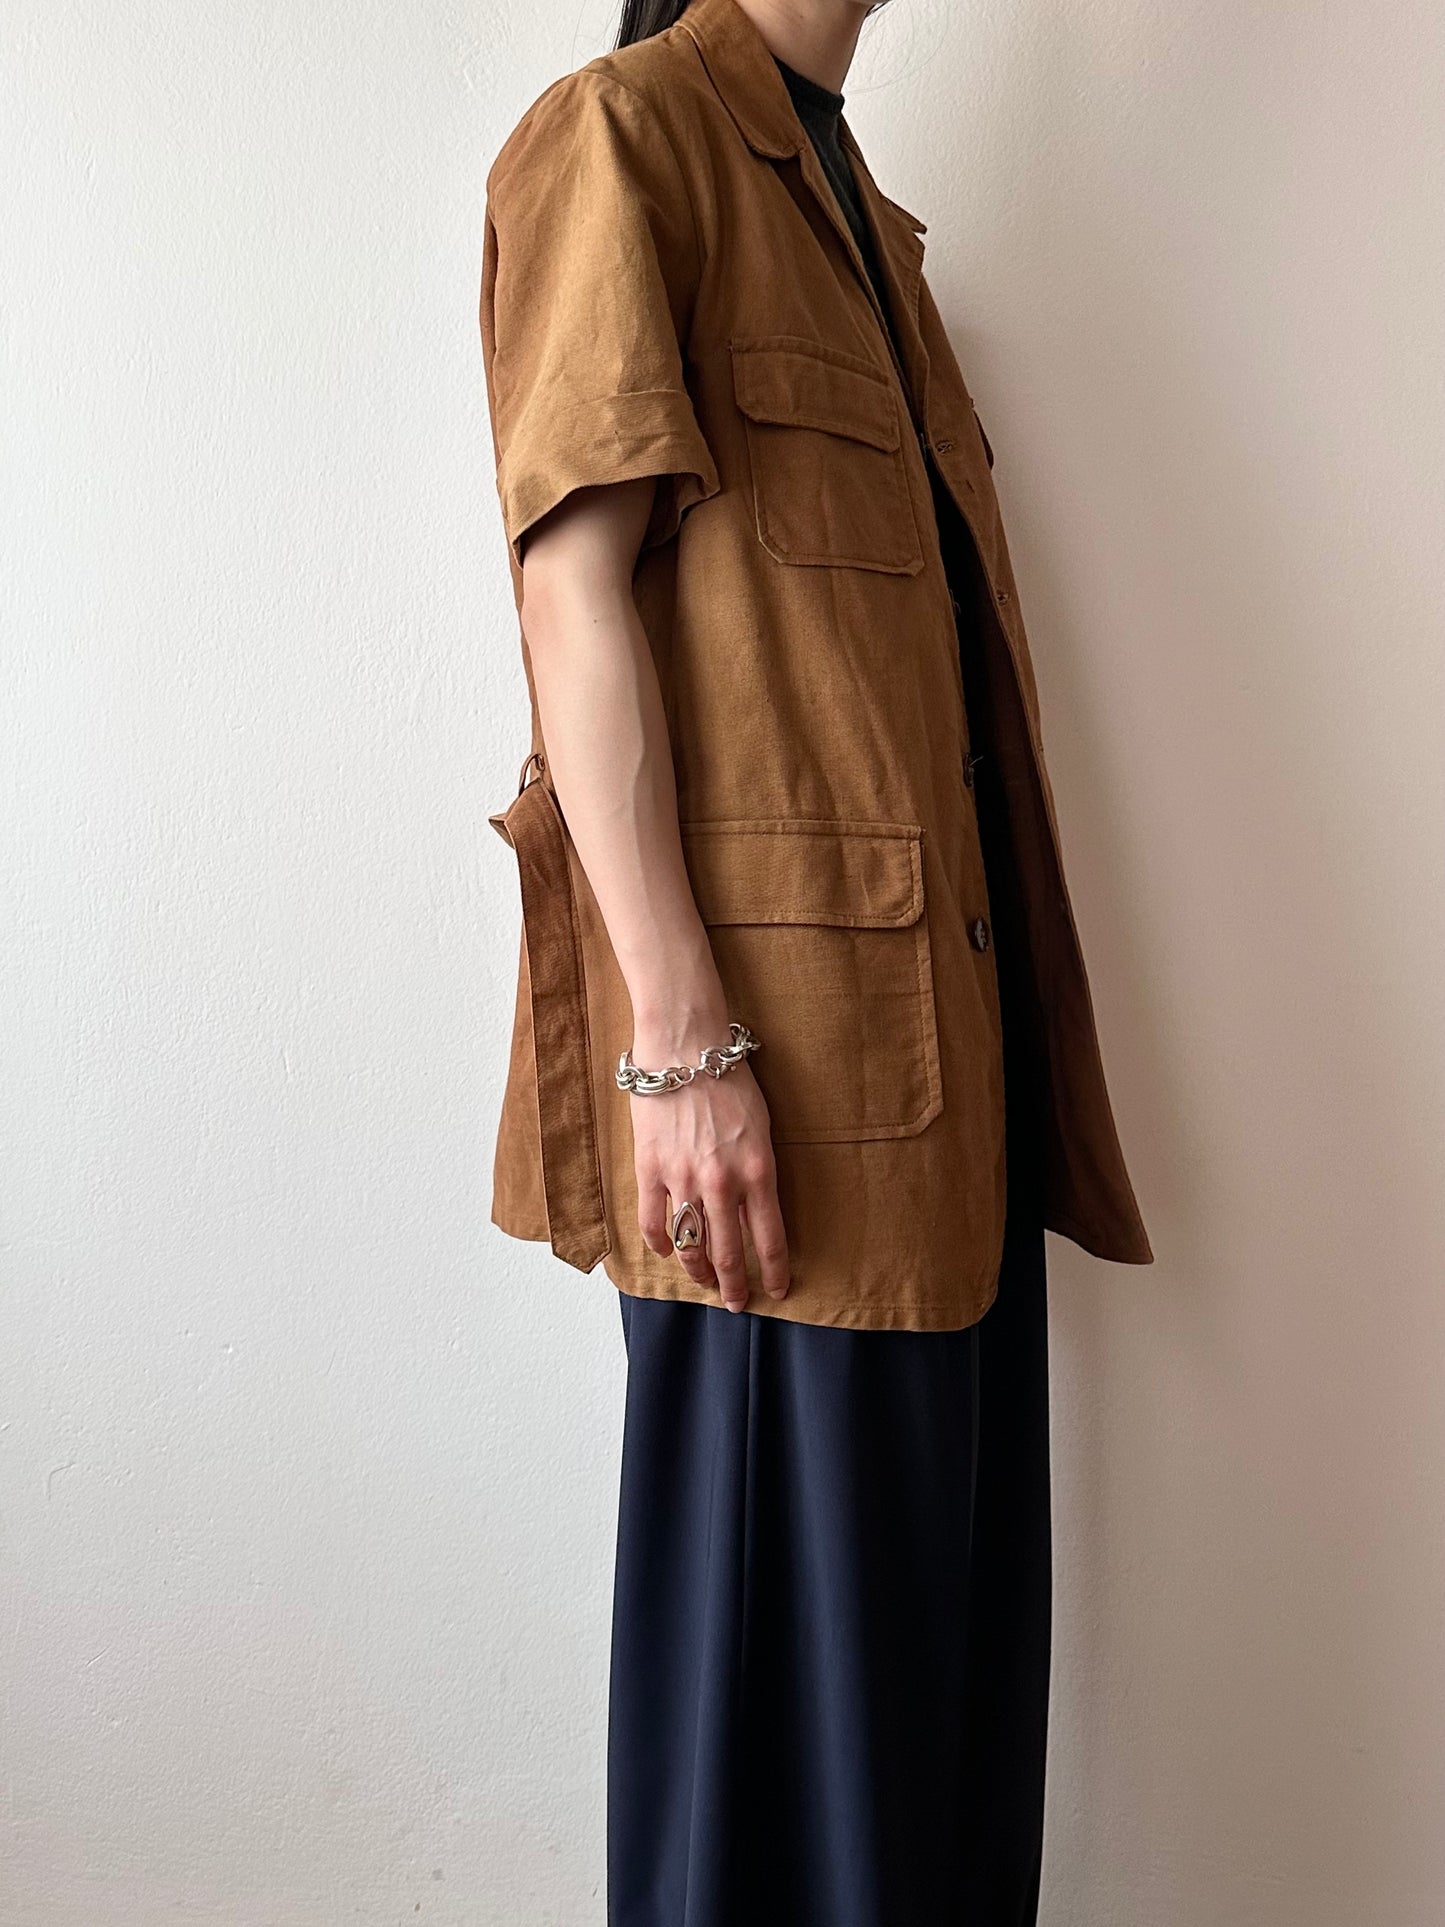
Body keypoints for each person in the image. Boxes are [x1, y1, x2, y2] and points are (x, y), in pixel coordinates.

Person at [478, 1, 1154, 1920]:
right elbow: (568, 589)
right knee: (783, 1791)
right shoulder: (626, 137)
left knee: (935, 1782)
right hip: (773, 1124)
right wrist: (680, 1046)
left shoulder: (868, 222)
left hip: (944, 1108)